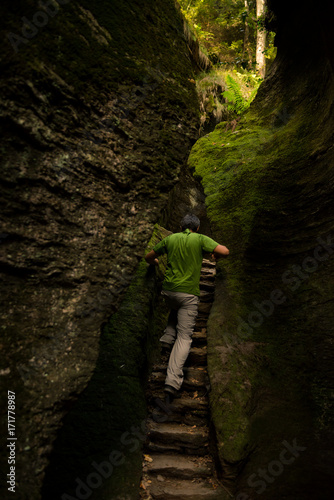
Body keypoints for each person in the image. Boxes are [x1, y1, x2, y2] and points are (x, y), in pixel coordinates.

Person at [145, 214, 229, 401]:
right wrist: (214, 254)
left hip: (168, 292)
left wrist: (156, 262)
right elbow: (225, 252)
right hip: (188, 295)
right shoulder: (200, 239)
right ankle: (172, 382)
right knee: (184, 336)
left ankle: (167, 338)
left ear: (180, 225)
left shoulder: (171, 238)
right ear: (197, 228)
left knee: (175, 307)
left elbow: (149, 257)